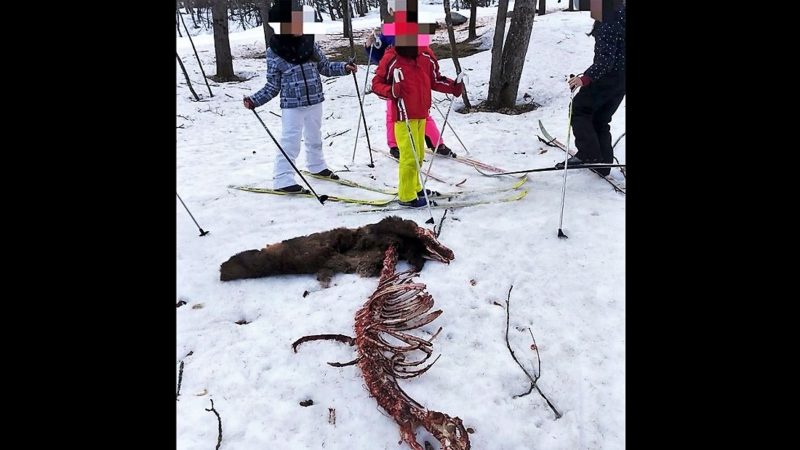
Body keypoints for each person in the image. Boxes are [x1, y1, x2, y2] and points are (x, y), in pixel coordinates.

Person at [243, 0, 357, 193]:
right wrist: (255, 100)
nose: (300, 27)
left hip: (315, 100)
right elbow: (273, 85)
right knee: (290, 141)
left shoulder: (309, 44)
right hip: (292, 106)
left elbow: (325, 67)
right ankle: (282, 179)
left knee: (315, 136)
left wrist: (344, 67)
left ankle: (317, 166)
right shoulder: (274, 52)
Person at [372, 29, 464, 207]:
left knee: (419, 155)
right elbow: (377, 84)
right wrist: (391, 91)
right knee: (409, 156)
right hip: (403, 116)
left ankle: (415, 187)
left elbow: (435, 79)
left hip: (421, 113)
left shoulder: (426, 55)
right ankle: (406, 196)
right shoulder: (392, 57)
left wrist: (453, 86)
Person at [364, 10, 456, 159]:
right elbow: (378, 56)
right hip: (396, 77)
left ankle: (436, 142)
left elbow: (425, 47)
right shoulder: (387, 29)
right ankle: (395, 146)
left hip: (416, 74)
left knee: (422, 112)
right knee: (393, 113)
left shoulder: (414, 26)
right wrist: (370, 45)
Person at [557, 0, 625, 177]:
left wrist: (585, 79)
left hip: (608, 77)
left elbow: (605, 61)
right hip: (621, 79)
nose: (589, 9)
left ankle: (589, 155)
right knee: (600, 118)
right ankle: (603, 164)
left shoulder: (608, 20)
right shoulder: (620, 13)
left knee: (579, 109)